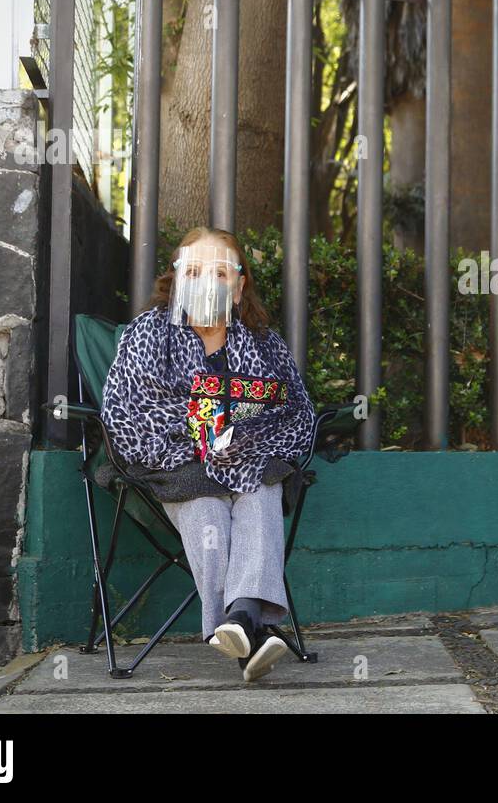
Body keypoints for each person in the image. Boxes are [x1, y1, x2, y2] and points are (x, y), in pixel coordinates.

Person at [100, 227, 316, 681]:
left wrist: (242, 439)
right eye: (194, 270)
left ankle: (239, 619)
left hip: (252, 462)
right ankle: (249, 626)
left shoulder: (267, 345)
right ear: (176, 279)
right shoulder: (147, 334)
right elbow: (127, 412)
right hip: (175, 465)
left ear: (238, 288)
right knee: (205, 505)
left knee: (261, 492)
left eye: (220, 272)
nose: (206, 280)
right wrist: (204, 431)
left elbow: (295, 413)